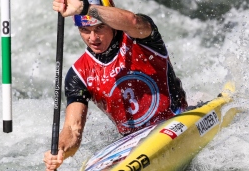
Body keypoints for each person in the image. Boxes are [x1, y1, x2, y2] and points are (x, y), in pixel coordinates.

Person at [44, 0, 188, 170]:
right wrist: (60, 149)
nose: (93, 38)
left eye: (99, 28)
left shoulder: (140, 38)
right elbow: (73, 129)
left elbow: (132, 21)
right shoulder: (78, 74)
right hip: (132, 142)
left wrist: (86, 9)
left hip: (175, 120)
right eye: (85, 30)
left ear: (111, 23)